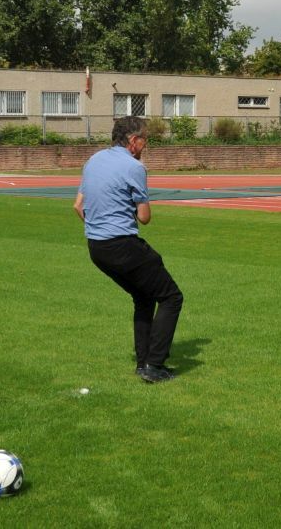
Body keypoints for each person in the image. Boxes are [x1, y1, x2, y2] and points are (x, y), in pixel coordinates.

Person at [74, 116, 183, 383]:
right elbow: (144, 217)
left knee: (145, 297)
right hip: (122, 244)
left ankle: (143, 362)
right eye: (145, 139)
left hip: (96, 247)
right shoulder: (134, 167)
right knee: (171, 297)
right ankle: (154, 366)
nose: (146, 145)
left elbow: (78, 206)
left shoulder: (94, 160)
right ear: (133, 141)